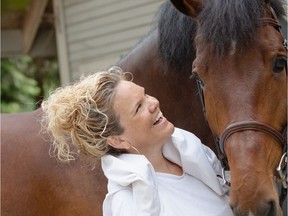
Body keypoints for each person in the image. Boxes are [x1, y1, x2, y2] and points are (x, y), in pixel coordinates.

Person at [42, 66, 233, 216]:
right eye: (138, 107)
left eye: (146, 94)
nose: (154, 103)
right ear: (117, 140)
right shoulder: (127, 204)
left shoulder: (194, 155)